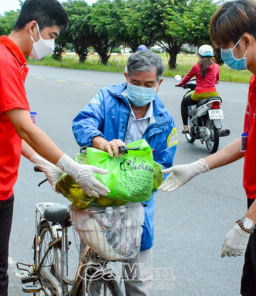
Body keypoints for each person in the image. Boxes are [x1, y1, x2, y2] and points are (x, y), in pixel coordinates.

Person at [0, 0, 110, 296]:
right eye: (51, 35)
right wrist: (70, 167)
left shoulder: (15, 63)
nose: (52, 44)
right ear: (33, 27)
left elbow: (12, 130)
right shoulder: (0, 61)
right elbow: (26, 128)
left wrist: (43, 163)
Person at [158, 0, 256, 296]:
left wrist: (246, 225)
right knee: (253, 288)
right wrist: (197, 166)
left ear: (245, 41)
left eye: (224, 47)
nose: (222, 54)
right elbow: (247, 142)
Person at [72, 50, 177, 295]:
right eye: (136, 83)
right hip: (99, 197)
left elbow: (163, 165)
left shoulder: (164, 120)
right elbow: (82, 121)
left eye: (149, 84)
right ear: (126, 77)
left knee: (138, 281)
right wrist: (101, 142)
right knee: (91, 276)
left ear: (159, 84)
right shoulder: (106, 99)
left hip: (137, 208)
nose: (142, 88)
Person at [176, 44, 220, 134]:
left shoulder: (196, 67)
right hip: (214, 95)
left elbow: (187, 77)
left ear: (199, 56)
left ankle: (185, 127)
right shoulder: (216, 66)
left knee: (184, 103)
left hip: (199, 94)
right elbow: (217, 78)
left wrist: (180, 84)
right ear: (211, 56)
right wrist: (214, 82)